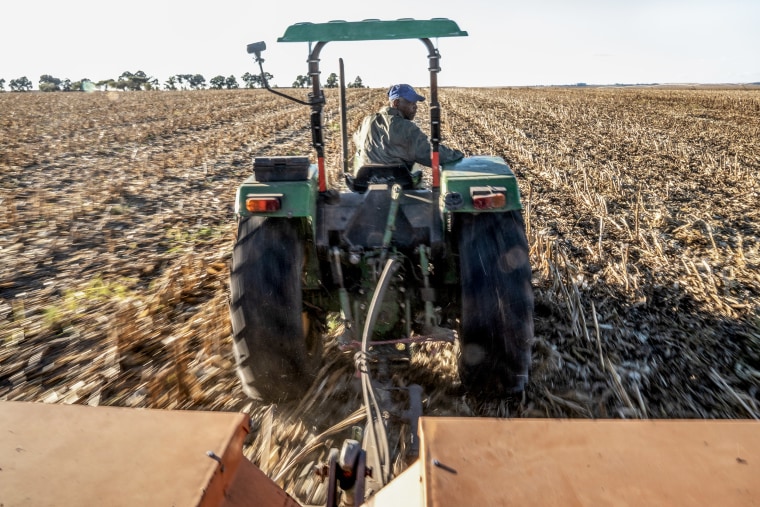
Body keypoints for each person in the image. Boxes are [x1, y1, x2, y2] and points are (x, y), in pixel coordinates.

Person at [352, 83, 464, 175]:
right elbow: (429, 152)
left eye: (415, 103)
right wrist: (457, 155)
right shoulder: (406, 128)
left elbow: (356, 138)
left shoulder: (367, 121)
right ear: (396, 103)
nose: (415, 106)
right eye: (410, 102)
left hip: (365, 182)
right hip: (397, 183)